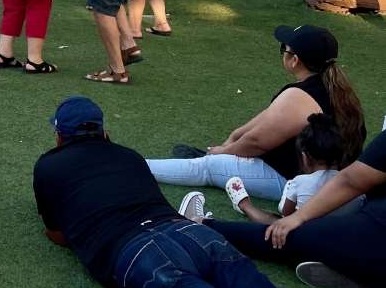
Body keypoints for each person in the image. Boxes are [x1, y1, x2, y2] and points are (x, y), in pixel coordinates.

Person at [33, 96, 348, 288]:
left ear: (59, 137)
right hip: (191, 231)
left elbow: (58, 234)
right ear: (104, 133)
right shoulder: (128, 155)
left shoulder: (49, 165)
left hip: (137, 254)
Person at [149, 24, 365, 201]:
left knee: (208, 167)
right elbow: (264, 120)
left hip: (297, 182)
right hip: (327, 179)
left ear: (295, 60)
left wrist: (223, 152)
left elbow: (256, 143)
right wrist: (232, 138)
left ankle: (139, 167)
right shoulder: (335, 88)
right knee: (220, 158)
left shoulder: (299, 95)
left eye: (284, 49)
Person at [200, 125, 386, 288]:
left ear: (305, 157)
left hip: (368, 230)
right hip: (360, 225)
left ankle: (204, 224)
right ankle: (359, 270)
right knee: (290, 231)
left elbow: (352, 181)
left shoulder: (300, 183)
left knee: (283, 235)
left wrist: (299, 217)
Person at [208, 113, 367, 225]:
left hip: (305, 235)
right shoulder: (355, 184)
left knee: (278, 223)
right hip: (341, 233)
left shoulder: (299, 182)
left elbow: (286, 214)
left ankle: (245, 205)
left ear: (305, 157)